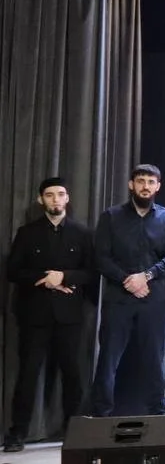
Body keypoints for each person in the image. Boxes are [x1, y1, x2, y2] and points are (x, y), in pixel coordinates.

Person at [3, 178, 95, 452]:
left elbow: (91, 272)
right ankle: (18, 432)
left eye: (60, 194)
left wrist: (64, 276)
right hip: (34, 315)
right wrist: (47, 278)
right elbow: (13, 272)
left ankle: (74, 431)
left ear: (68, 198)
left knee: (72, 374)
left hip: (70, 316)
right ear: (40, 199)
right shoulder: (27, 233)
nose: (56, 199)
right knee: (28, 375)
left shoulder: (82, 233)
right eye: (50, 195)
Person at [90, 164, 165, 417]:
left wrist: (146, 276)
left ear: (158, 186)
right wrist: (127, 280)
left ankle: (156, 415)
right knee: (108, 359)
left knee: (155, 359)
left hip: (154, 299)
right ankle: (100, 416)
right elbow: (101, 257)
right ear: (131, 184)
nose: (145, 186)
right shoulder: (111, 216)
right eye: (141, 181)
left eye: (151, 182)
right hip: (118, 298)